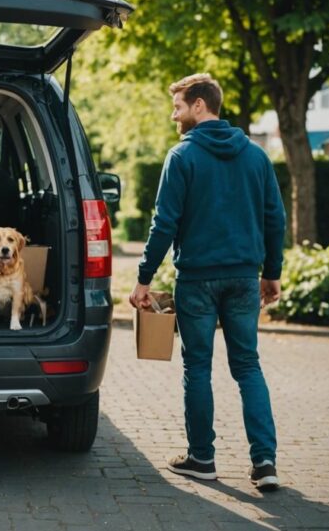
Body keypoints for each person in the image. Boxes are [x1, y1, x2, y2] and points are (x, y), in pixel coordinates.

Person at [129, 73, 285, 491]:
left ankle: (202, 458)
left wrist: (143, 279)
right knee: (248, 366)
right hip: (243, 279)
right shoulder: (255, 156)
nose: (173, 115)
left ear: (200, 105)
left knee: (197, 368)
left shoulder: (181, 157)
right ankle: (265, 461)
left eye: (178, 106)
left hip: (196, 280)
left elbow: (164, 224)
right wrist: (272, 272)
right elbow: (275, 218)